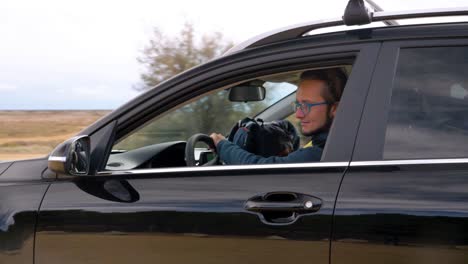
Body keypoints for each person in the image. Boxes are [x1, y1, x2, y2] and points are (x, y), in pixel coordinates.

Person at [210, 68, 347, 164]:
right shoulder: (335, 143)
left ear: (335, 108)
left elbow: (261, 169)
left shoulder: (322, 153)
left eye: (307, 105)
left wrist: (222, 145)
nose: (298, 114)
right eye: (298, 105)